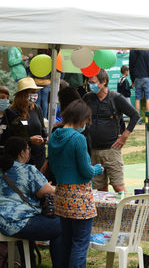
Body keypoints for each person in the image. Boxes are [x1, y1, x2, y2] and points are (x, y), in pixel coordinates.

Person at [48, 99, 103, 268]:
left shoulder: (53, 137)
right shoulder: (78, 139)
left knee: (66, 242)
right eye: (86, 121)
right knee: (80, 244)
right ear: (81, 119)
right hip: (79, 197)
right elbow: (86, 172)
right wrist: (97, 170)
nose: (86, 124)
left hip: (61, 194)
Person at [0, 136, 62, 268]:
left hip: (2, 222)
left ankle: (29, 263)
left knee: (30, 228)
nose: (29, 152)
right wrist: (49, 186)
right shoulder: (28, 170)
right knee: (61, 226)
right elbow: (48, 191)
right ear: (22, 152)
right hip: (18, 222)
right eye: (28, 149)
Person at [83, 69, 140, 192]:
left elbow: (135, 115)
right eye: (89, 82)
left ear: (104, 82)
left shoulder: (115, 98)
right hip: (93, 150)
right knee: (99, 188)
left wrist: (125, 136)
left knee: (118, 186)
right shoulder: (87, 98)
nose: (91, 85)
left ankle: (125, 210)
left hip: (112, 150)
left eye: (93, 82)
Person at [1, 77, 48, 170]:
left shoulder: (37, 109)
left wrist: (45, 138)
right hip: (20, 160)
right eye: (32, 92)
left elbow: (42, 129)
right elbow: (8, 138)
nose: (35, 95)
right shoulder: (11, 112)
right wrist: (29, 140)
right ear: (23, 94)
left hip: (38, 157)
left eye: (35, 92)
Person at [129, 50, 149, 119]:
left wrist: (132, 79)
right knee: (148, 98)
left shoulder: (132, 51)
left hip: (137, 77)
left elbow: (131, 66)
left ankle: (137, 118)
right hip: (147, 77)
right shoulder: (147, 50)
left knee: (137, 98)